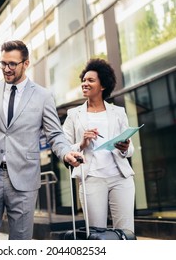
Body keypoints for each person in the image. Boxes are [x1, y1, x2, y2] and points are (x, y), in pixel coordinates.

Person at [0, 40, 84, 240]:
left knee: (21, 240)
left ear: (26, 63)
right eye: (3, 63)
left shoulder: (43, 96)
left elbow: (55, 134)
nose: (6, 69)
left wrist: (66, 153)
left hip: (24, 177)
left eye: (12, 64)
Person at [62, 58, 135, 232]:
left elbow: (130, 149)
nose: (85, 83)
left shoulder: (118, 112)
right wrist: (82, 143)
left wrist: (124, 148)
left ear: (102, 86)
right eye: (84, 80)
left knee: (125, 232)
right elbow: (63, 147)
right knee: (96, 232)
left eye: (90, 80)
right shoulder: (73, 114)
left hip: (120, 178)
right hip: (91, 179)